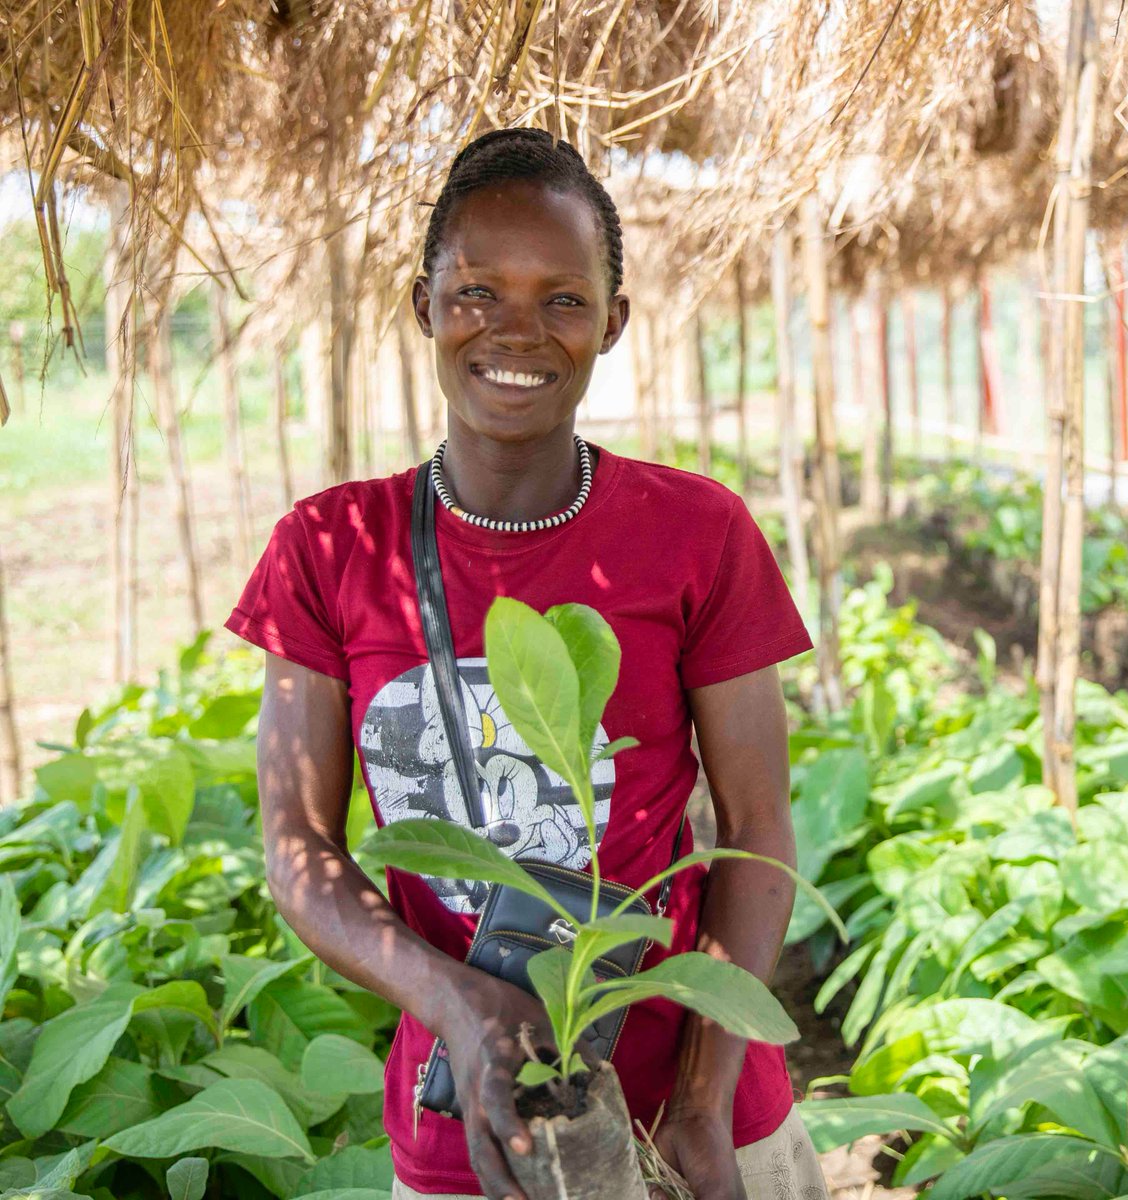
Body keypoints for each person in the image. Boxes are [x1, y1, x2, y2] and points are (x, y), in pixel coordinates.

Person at [226, 127, 830, 1200]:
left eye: (563, 298)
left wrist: (698, 1101)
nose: (517, 330)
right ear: (422, 307)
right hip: (474, 1123)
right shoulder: (329, 548)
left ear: (614, 322)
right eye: (475, 293)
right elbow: (298, 850)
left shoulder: (696, 530)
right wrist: (453, 1001)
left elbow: (758, 828)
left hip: (702, 1116)